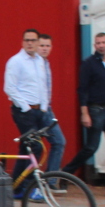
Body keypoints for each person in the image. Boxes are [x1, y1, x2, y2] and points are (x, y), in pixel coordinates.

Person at [63, 32, 105, 197]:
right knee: (91, 147)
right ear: (95, 46)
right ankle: (65, 173)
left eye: (103, 42)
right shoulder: (88, 64)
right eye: (98, 43)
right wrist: (84, 113)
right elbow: (82, 90)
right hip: (96, 110)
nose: (101, 45)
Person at [3, 28, 51, 199]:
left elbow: (43, 85)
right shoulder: (15, 62)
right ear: (22, 42)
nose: (30, 43)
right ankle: (31, 188)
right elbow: (9, 88)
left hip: (39, 110)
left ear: (38, 42)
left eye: (33, 40)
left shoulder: (40, 61)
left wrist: (44, 107)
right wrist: (26, 108)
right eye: (27, 40)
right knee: (35, 147)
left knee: (25, 148)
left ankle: (16, 187)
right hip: (24, 111)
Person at [34, 34, 66, 175]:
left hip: (47, 109)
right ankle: (33, 181)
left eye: (48, 46)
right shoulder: (33, 64)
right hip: (36, 110)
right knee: (36, 146)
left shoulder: (46, 63)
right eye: (42, 46)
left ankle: (49, 180)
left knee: (58, 142)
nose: (45, 49)